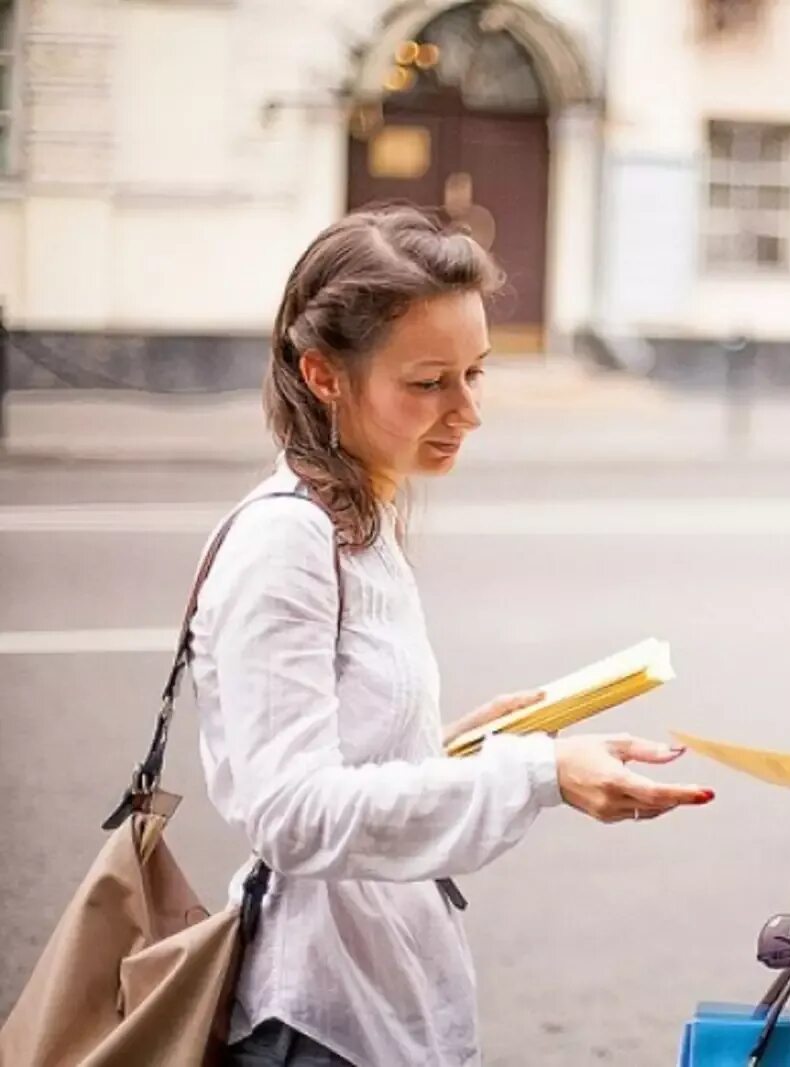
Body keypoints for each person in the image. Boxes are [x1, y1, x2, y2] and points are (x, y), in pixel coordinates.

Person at [191, 206, 714, 1067]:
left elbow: (343, 758)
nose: (467, 410)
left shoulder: (359, 518)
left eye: (475, 372)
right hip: (321, 1015)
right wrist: (542, 772)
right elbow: (290, 816)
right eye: (428, 382)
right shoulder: (285, 540)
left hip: (378, 991)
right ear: (324, 375)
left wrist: (467, 750)